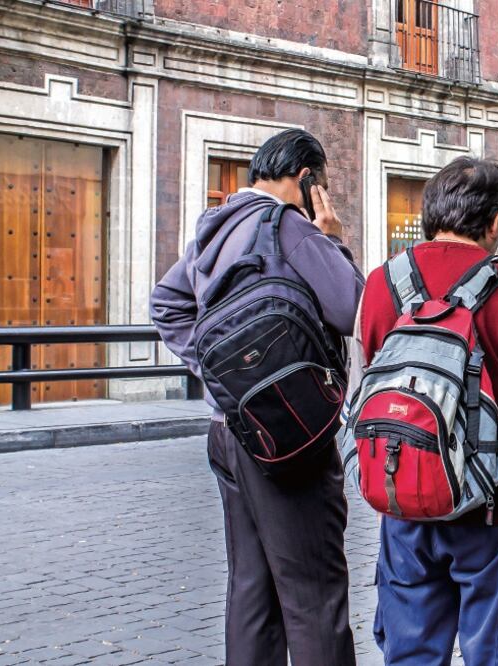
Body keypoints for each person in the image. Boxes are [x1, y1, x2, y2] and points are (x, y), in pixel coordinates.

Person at [351, 157, 498, 665]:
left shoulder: (380, 285)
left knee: (410, 657)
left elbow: (357, 406)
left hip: (405, 509)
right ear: (496, 222)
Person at [150, 129, 364, 666]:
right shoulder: (288, 226)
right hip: (285, 436)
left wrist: (225, 377)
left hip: (228, 430)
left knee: (252, 588)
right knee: (315, 594)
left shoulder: (215, 227)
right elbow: (353, 309)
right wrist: (332, 240)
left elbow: (166, 304)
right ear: (305, 179)